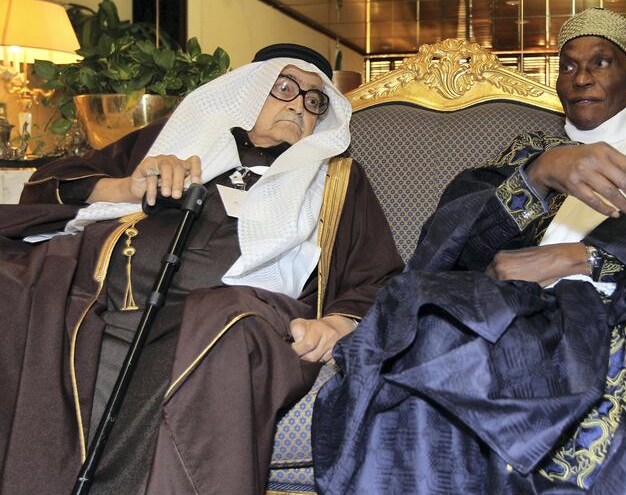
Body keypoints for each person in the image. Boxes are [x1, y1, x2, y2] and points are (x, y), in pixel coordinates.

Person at [312, 8, 626, 493]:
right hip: (522, 307)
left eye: (602, 61)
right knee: (435, 322)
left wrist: (584, 257)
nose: (582, 77)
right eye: (568, 65)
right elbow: (444, 243)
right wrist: (541, 175)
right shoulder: (525, 157)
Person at [0, 43, 403, 493]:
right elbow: (48, 185)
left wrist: (337, 322)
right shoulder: (175, 140)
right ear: (247, 92)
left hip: (226, 307)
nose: (298, 105)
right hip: (100, 286)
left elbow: (378, 275)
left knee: (225, 325)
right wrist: (129, 187)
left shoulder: (336, 179)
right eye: (284, 87)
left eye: (313, 100)